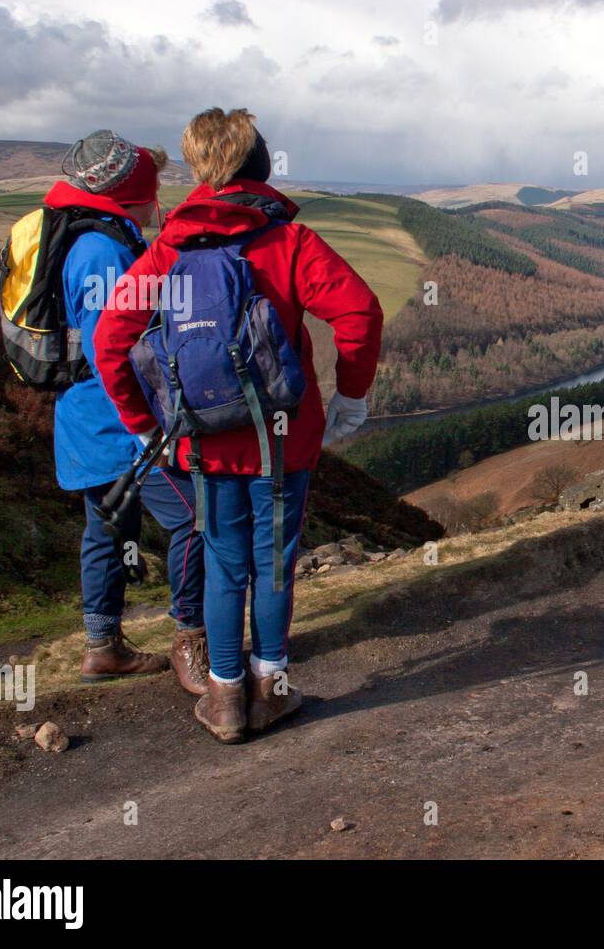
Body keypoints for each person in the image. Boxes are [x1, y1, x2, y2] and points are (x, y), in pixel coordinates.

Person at [95, 108, 383, 743]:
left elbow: (111, 338)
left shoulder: (169, 250)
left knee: (225, 563)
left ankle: (226, 699)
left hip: (200, 442)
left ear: (201, 170)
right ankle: (271, 690)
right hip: (282, 438)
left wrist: (144, 425)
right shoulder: (287, 242)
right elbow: (360, 312)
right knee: (275, 563)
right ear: (262, 167)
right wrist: (350, 398)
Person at [46, 130, 210, 693]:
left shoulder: (89, 237)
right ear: (133, 192)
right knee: (195, 516)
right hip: (119, 422)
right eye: (154, 185)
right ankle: (193, 637)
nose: (159, 196)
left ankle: (103, 647)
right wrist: (148, 425)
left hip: (86, 419)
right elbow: (109, 346)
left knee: (108, 529)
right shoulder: (104, 251)